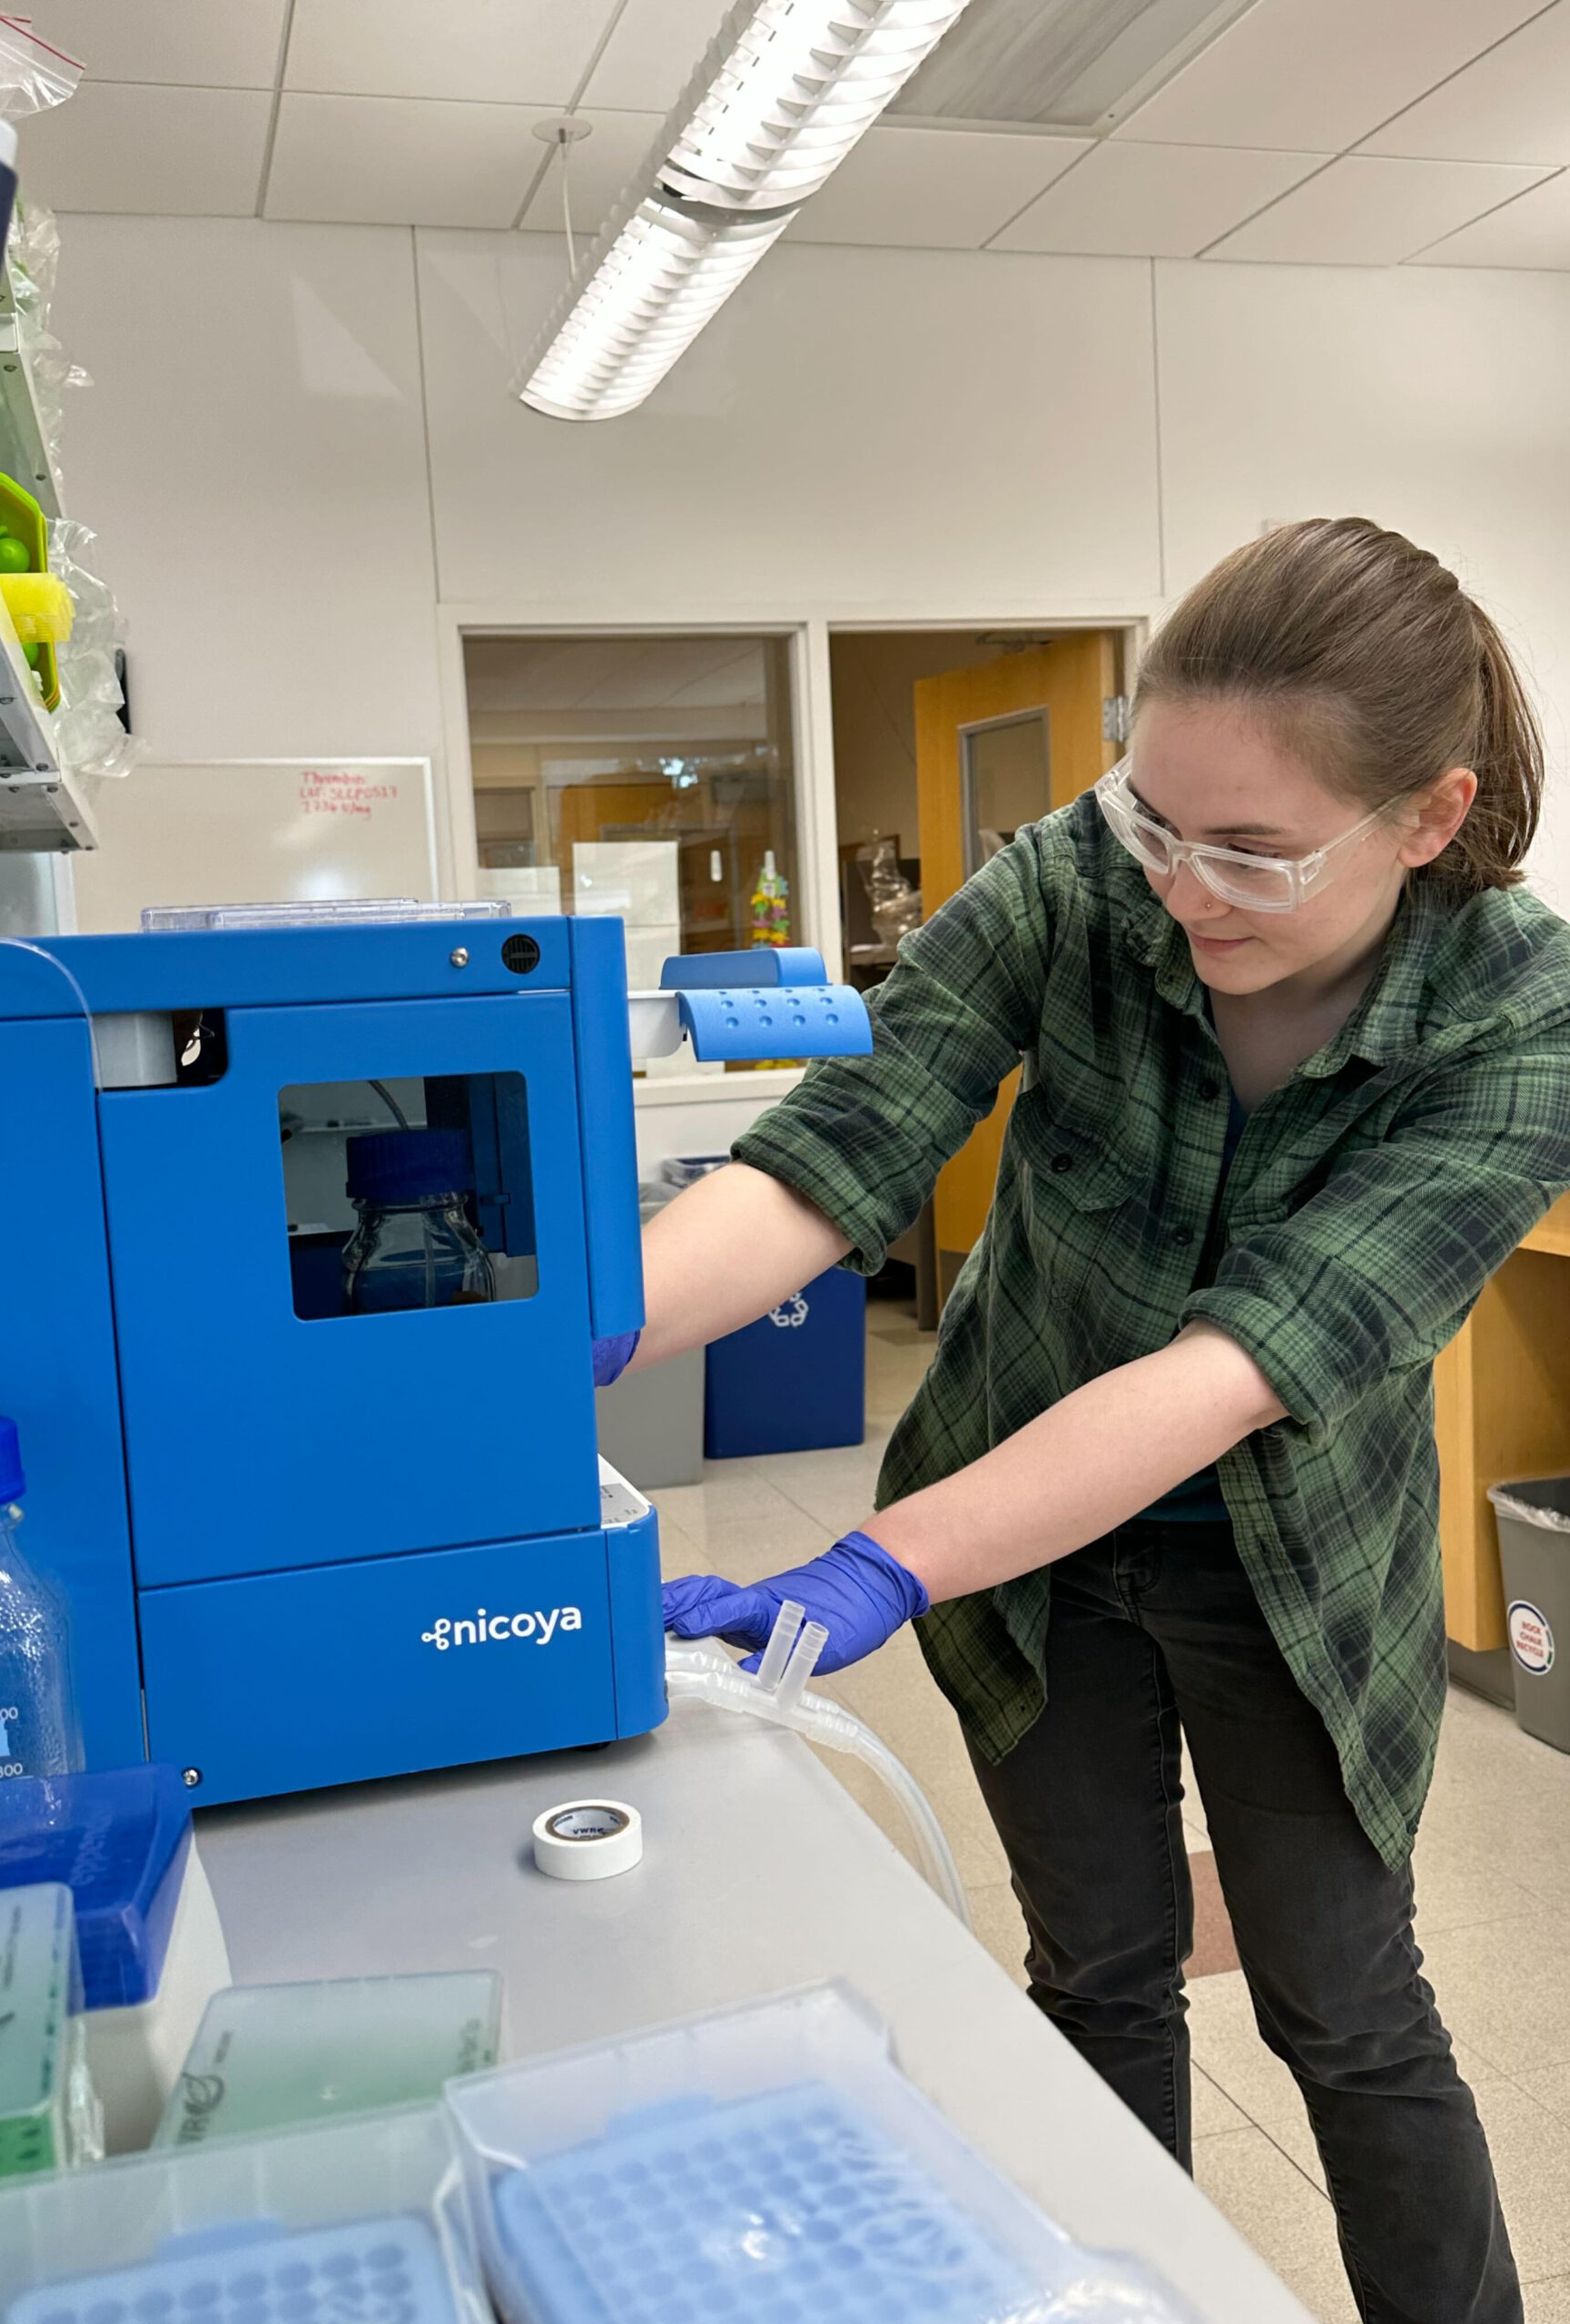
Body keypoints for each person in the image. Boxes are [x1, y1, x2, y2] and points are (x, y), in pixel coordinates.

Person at [601, 519, 1570, 2324]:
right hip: (1033, 1543)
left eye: (1252, 852)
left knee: (1349, 2008)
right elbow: (853, 1140)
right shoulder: (1077, 877)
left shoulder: (1526, 1018)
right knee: (1098, 1968)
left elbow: (1238, 1363)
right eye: (1152, 816)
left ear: (1428, 820)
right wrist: (586, 1326)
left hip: (1291, 1571)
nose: (1183, 890)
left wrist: (894, 1551)